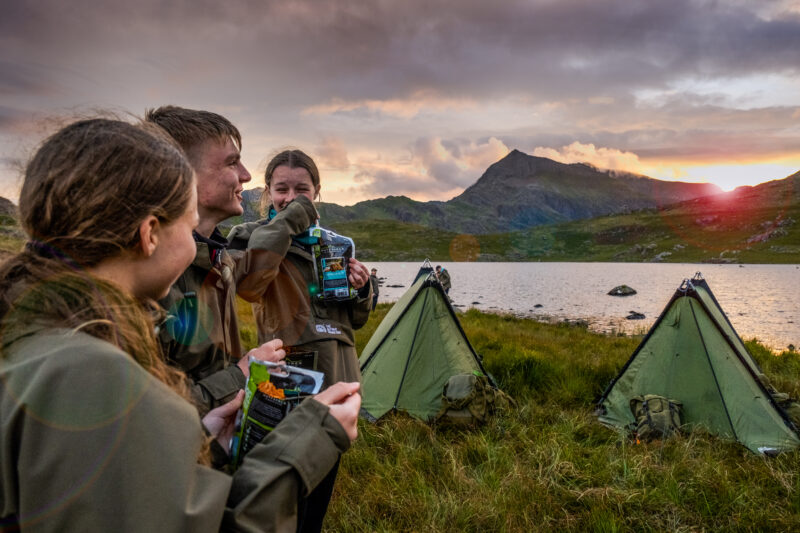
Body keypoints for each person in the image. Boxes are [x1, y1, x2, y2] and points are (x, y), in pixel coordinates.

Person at [0, 118, 361, 531]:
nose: (200, 245)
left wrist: (204, 442)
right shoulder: (89, 371)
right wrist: (306, 444)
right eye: (190, 228)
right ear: (150, 233)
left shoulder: (57, 338)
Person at [227, 149, 372, 532]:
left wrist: (361, 289)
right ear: (267, 192)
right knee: (281, 499)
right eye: (281, 189)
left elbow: (352, 320)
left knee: (318, 498)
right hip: (289, 383)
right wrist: (290, 221)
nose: (290, 197)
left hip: (337, 373)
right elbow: (249, 286)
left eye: (301, 189)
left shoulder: (335, 245)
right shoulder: (251, 236)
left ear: (317, 191)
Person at [145, 106, 284, 416]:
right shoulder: (145, 275)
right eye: (232, 162)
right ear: (180, 174)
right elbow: (147, 414)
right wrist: (241, 375)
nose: (246, 175)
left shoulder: (216, 259)